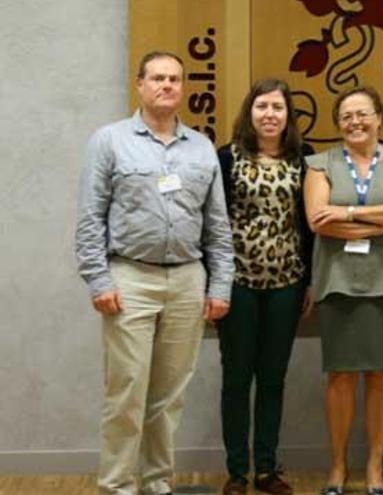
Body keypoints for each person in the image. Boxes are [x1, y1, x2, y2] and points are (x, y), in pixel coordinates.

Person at [75, 51, 233, 495]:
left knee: (168, 397)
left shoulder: (201, 148)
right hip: (130, 278)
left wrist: (219, 284)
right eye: (158, 78)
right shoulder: (109, 141)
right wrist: (98, 279)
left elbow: (217, 225)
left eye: (175, 79)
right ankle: (118, 486)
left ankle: (157, 482)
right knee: (126, 392)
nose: (167, 85)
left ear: (183, 88)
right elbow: (90, 218)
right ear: (140, 85)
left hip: (187, 281)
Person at [303, 86, 383, 495]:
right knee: (339, 376)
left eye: (362, 114)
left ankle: (374, 468)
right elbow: (319, 220)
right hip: (337, 283)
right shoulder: (320, 164)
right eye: (346, 116)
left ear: (379, 117)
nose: (355, 122)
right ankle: (337, 468)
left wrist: (352, 212)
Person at [215, 79, 315, 495]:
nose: (270, 114)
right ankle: (238, 472)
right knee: (237, 378)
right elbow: (213, 224)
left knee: (273, 379)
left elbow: (310, 226)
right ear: (249, 112)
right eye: (262, 106)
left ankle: (267, 469)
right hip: (237, 283)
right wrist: (214, 284)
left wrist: (309, 280)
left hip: (286, 284)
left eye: (278, 107)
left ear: (288, 115)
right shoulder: (225, 157)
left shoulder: (304, 159)